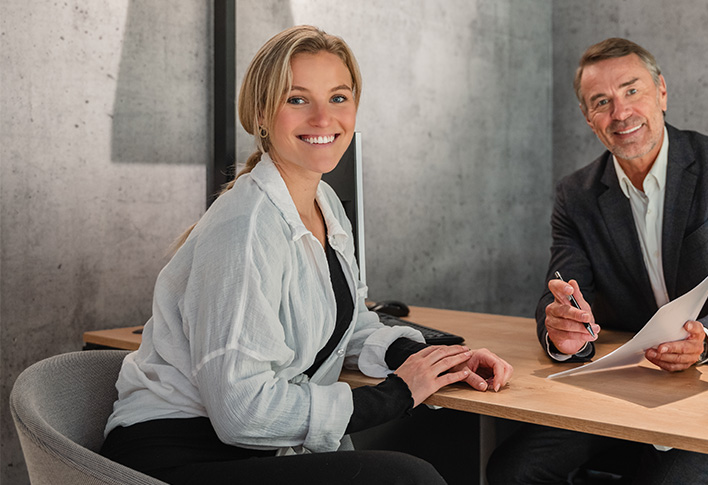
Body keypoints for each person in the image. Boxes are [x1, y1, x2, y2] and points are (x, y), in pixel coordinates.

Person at [100, 25, 512, 485]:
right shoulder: (246, 226)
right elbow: (241, 411)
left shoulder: (324, 204)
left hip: (247, 451)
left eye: (338, 98)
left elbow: (349, 327)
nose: (323, 118)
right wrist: (397, 395)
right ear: (261, 114)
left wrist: (435, 360)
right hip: (180, 457)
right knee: (408, 478)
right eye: (297, 99)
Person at [487, 38, 708, 484]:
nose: (620, 113)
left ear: (661, 92)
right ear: (588, 118)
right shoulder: (576, 195)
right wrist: (563, 332)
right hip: (621, 385)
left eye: (632, 90)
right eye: (601, 102)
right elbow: (563, 291)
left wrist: (704, 340)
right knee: (513, 470)